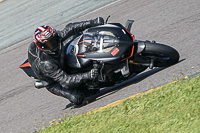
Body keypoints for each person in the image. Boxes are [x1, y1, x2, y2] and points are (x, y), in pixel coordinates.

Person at [28, 17, 104, 105]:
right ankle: (89, 86)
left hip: (59, 59)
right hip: (54, 81)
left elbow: (70, 28)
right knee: (77, 98)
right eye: (50, 43)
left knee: (76, 34)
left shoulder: (56, 37)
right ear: (43, 46)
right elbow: (66, 81)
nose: (54, 43)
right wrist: (88, 75)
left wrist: (92, 22)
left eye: (54, 39)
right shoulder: (46, 64)